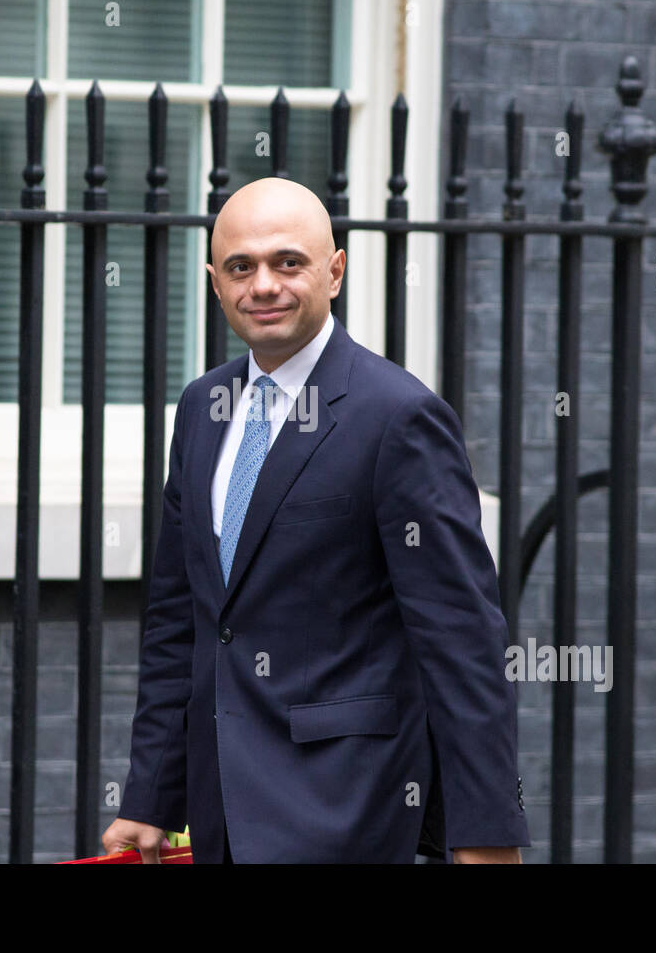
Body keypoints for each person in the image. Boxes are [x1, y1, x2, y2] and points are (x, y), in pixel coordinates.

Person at [101, 177, 529, 863]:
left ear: (334, 271)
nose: (262, 284)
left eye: (287, 262)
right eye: (241, 267)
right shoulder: (202, 409)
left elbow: (462, 639)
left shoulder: (397, 417)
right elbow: (180, 623)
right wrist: (151, 797)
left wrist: (484, 833)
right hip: (221, 825)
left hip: (349, 816)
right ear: (215, 282)